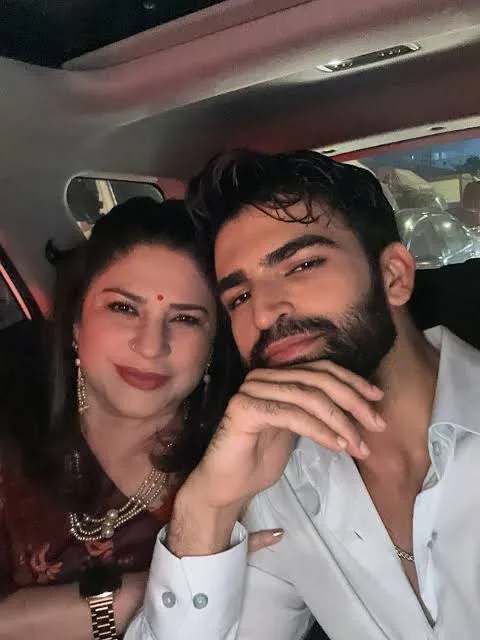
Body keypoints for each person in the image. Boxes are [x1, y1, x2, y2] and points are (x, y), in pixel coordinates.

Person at [126, 151, 480, 640]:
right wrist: (206, 506)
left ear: (394, 276)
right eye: (239, 297)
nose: (265, 313)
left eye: (303, 264)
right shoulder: (280, 485)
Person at [0, 197, 280, 640]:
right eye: (124, 308)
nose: (151, 346)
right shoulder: (10, 435)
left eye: (185, 319)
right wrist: (163, 588)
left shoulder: (248, 461)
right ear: (76, 323)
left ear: (213, 346)